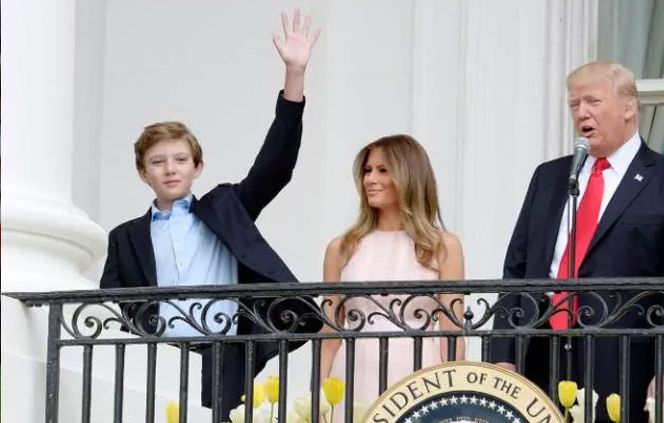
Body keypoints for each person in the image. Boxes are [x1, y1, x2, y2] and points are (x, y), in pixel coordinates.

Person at [99, 10, 322, 419]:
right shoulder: (124, 237)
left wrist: (294, 78)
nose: (170, 168)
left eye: (180, 159)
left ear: (197, 167)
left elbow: (275, 166)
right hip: (157, 360)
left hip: (225, 356)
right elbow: (113, 301)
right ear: (142, 172)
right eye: (158, 161)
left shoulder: (225, 207)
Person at [490, 62, 664, 421]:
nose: (582, 113)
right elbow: (516, 268)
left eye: (593, 101)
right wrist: (503, 353)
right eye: (574, 104)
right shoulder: (550, 177)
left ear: (628, 107)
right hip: (541, 351)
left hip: (623, 358)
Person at [320, 135, 466, 420]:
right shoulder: (341, 247)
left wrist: (454, 400)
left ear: (408, 175)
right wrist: (317, 402)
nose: (370, 179)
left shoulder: (443, 246)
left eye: (382, 170)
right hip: (352, 373)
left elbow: (452, 334)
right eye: (367, 170)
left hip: (419, 376)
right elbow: (329, 335)